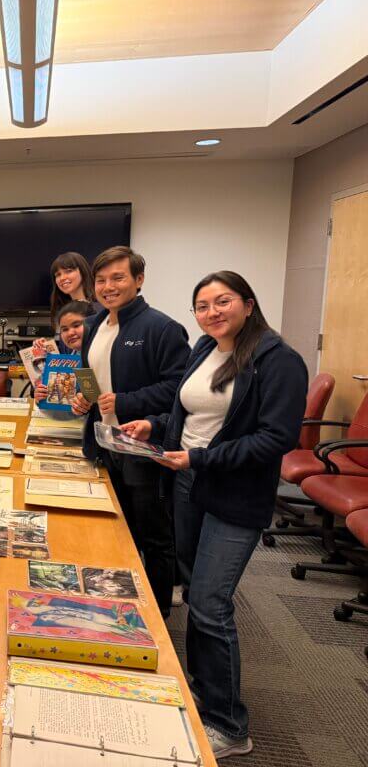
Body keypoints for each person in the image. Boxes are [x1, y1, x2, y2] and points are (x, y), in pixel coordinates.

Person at [121, 272, 306, 760]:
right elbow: (193, 418)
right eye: (202, 305)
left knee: (209, 601)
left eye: (222, 302)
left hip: (233, 493)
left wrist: (200, 459)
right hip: (187, 481)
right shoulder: (206, 348)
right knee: (194, 583)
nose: (212, 312)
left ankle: (229, 724)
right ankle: (204, 690)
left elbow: (276, 438)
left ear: (248, 303)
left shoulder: (278, 360)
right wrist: (155, 425)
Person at [70, 246, 190, 616]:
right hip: (105, 444)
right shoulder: (94, 326)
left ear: (138, 280)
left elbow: (178, 389)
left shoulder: (162, 328)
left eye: (118, 278)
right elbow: (90, 377)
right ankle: (121, 605)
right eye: (102, 280)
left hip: (142, 446)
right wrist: (84, 400)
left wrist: (125, 401)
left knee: (153, 536)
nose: (108, 287)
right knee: (115, 532)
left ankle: (156, 615)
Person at [33, 251, 98, 357]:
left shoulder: (100, 310)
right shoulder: (64, 311)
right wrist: (47, 349)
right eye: (58, 275)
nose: (62, 278)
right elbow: (68, 356)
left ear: (83, 271)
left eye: (68, 271)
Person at [33, 300, 88, 404]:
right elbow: (60, 402)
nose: (70, 333)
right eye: (64, 329)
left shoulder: (101, 356)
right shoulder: (71, 357)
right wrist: (41, 397)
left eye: (76, 325)